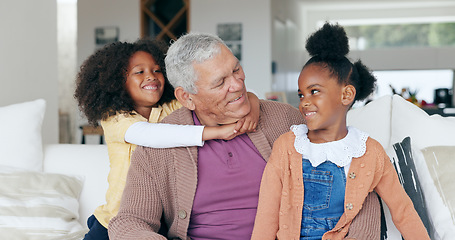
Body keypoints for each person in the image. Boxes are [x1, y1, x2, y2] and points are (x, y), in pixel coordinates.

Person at [108, 32, 382, 240]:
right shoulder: (162, 142)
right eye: (220, 82)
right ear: (187, 98)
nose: (238, 85)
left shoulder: (286, 121)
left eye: (236, 70)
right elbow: (129, 221)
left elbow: (358, 180)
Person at [251, 22, 430, 240]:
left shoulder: (369, 153)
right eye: (301, 95)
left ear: (346, 95)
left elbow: (403, 212)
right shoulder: (287, 146)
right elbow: (267, 214)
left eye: (314, 91)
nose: (304, 102)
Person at [74, 38, 260, 239]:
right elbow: (150, 135)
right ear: (117, 81)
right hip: (115, 219)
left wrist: (253, 108)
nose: (151, 77)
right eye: (140, 72)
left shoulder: (169, 108)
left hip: (161, 218)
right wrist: (216, 132)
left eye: (156, 70)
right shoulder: (115, 118)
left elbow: (217, 99)